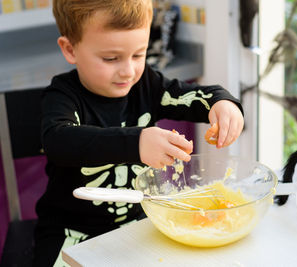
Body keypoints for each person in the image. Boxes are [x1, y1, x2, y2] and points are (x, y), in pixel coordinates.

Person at [33, 0, 244, 266]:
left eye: (138, 54)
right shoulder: (62, 96)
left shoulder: (147, 84)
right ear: (70, 49)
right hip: (72, 230)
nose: (128, 71)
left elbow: (190, 96)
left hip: (139, 224)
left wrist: (221, 102)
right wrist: (137, 142)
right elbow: (58, 140)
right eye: (111, 58)